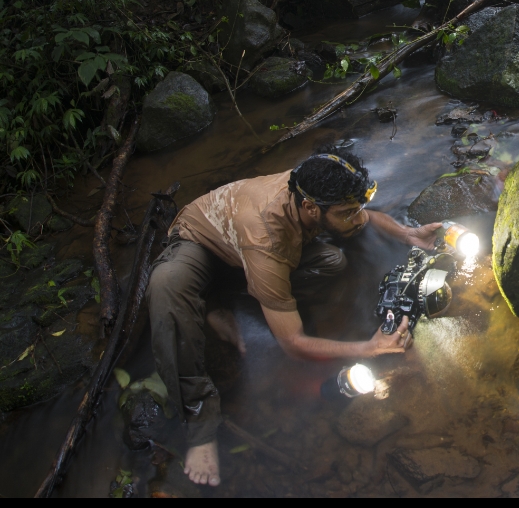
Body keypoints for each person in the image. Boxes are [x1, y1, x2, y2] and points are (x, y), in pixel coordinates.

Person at [146, 146, 441, 487]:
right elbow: (293, 344)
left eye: (357, 207)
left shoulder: (314, 182)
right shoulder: (267, 237)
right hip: (202, 244)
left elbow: (364, 216)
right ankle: (199, 427)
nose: (358, 217)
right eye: (347, 212)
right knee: (166, 287)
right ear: (310, 208)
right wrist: (369, 348)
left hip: (247, 252)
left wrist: (406, 234)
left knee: (333, 262)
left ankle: (238, 298)